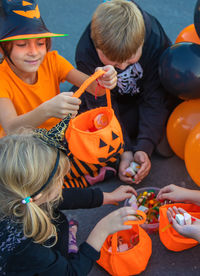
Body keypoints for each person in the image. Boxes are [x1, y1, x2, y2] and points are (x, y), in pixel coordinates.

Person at [0, 130, 138, 276]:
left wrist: (107, 197)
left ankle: (63, 252)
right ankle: (67, 256)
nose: (63, 183)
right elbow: (71, 273)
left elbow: (63, 197)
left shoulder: (18, 196)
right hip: (37, 266)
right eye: (60, 179)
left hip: (41, 252)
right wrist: (101, 230)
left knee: (59, 223)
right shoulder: (25, 248)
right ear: (39, 194)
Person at [74, 0, 177, 185]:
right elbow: (102, 106)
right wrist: (125, 150)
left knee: (162, 142)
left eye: (130, 61)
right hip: (116, 103)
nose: (121, 67)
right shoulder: (85, 52)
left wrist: (145, 146)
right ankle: (125, 147)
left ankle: (145, 137)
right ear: (97, 48)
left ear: (142, 43)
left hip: (144, 96)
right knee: (79, 111)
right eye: (114, 63)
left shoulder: (153, 36)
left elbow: (156, 94)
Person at [0, 0, 117, 137]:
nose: (34, 52)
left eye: (40, 43)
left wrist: (104, 80)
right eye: (21, 44)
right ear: (3, 49)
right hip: (19, 149)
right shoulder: (2, 78)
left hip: (55, 140)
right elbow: (11, 128)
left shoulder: (52, 61)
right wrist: (47, 110)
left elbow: (94, 88)